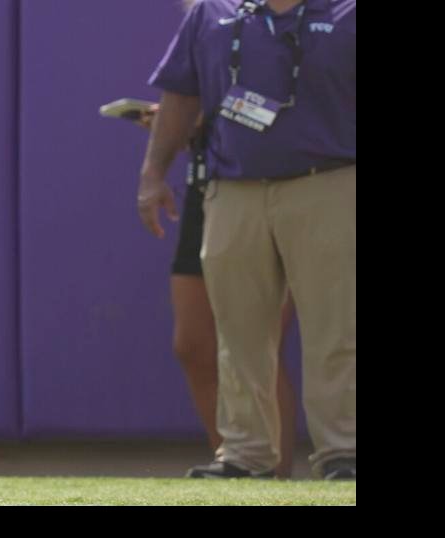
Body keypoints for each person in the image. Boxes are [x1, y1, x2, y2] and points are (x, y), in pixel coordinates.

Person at [140, 0, 357, 481]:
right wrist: (153, 173)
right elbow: (181, 91)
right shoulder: (211, 12)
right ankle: (246, 454)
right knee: (238, 329)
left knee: (336, 325)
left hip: (330, 182)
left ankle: (345, 450)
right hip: (234, 188)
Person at [133, 100, 300, 477]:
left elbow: (285, 100)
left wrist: (209, 115)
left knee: (257, 342)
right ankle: (238, 467)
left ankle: (276, 481)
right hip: (209, 184)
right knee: (194, 344)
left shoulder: (304, 38)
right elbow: (188, 88)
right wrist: (178, 122)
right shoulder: (204, 38)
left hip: (280, 183)